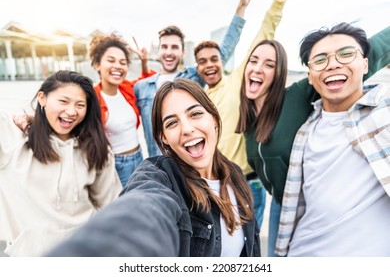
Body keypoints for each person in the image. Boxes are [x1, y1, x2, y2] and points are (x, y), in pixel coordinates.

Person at [46, 78, 260, 257]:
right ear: (163, 138)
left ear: (213, 118)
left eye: (195, 114)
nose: (186, 129)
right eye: (171, 123)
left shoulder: (236, 175)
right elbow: (144, 207)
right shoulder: (160, 177)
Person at [236, 25, 390, 256]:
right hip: (281, 204)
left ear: (280, 74)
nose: (258, 69)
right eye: (253, 61)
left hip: (306, 202)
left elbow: (357, 60)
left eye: (269, 65)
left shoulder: (296, 96)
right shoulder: (247, 121)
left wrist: (354, 54)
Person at [0, 70, 122, 257]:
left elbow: (111, 206)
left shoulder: (96, 149)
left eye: (80, 105)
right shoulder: (13, 137)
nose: (72, 111)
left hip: (86, 253)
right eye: (63, 101)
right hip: (32, 257)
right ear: (42, 98)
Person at [194, 0, 286, 231]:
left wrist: (278, 2)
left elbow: (265, 33)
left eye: (214, 59)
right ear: (198, 68)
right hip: (216, 183)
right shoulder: (198, 101)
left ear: (221, 61)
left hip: (248, 182)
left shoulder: (237, 80)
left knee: (250, 242)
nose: (209, 65)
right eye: (202, 62)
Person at [134, 0, 253, 158]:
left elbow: (223, 50)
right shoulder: (141, 87)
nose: (169, 52)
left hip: (191, 160)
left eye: (175, 47)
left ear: (183, 52)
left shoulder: (194, 76)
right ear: (159, 50)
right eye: (165, 47)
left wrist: (241, 7)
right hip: (160, 165)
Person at [89, 32, 155, 187]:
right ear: (97, 64)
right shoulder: (91, 97)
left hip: (139, 157)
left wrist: (144, 61)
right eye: (111, 60)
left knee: (141, 202)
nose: (117, 66)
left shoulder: (126, 89)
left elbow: (146, 84)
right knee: (124, 207)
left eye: (122, 62)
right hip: (116, 165)